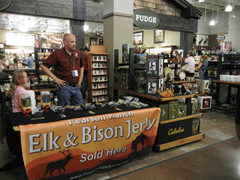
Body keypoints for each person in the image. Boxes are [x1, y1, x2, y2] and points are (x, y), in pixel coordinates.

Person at [40, 33, 84, 106]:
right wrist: (56, 79)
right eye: (72, 42)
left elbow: (81, 66)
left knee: (79, 109)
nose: (74, 44)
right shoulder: (57, 54)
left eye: (75, 42)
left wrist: (81, 78)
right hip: (64, 87)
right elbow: (43, 66)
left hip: (76, 87)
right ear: (65, 43)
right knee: (65, 110)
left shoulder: (77, 53)